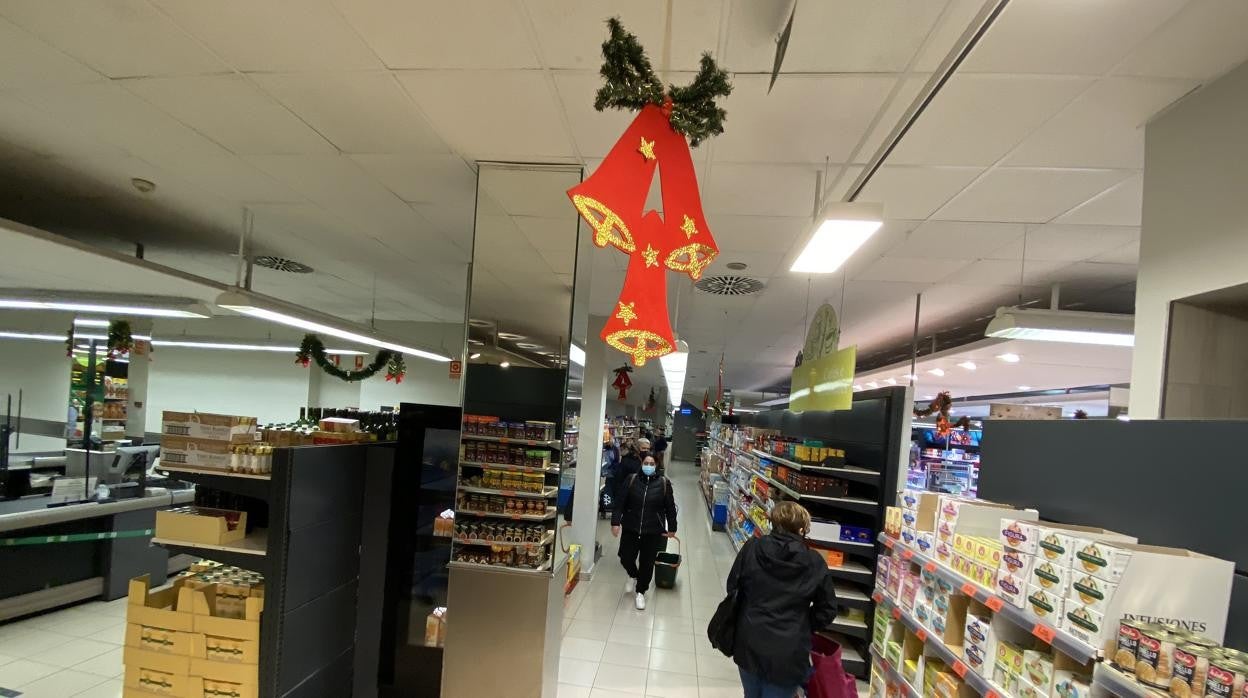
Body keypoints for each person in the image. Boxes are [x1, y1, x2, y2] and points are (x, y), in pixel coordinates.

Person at [726, 501, 837, 697]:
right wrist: (804, 623)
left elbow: (733, 586)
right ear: (803, 529)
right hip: (789, 651)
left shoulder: (753, 548)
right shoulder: (814, 562)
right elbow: (827, 609)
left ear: (773, 523)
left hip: (750, 640)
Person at [611, 453, 677, 610]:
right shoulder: (631, 480)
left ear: (656, 465)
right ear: (641, 464)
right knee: (625, 557)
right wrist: (615, 522)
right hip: (631, 527)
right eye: (646, 463)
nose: (648, 466)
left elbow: (670, 508)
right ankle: (633, 574)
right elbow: (620, 502)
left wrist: (672, 527)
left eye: (651, 463)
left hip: (653, 530)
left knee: (647, 563)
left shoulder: (663, 483)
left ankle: (640, 592)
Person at [614, 437, 650, 504]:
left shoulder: (648, 460)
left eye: (648, 449)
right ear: (637, 448)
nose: (646, 451)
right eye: (643, 448)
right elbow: (620, 479)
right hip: (629, 495)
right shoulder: (628, 460)